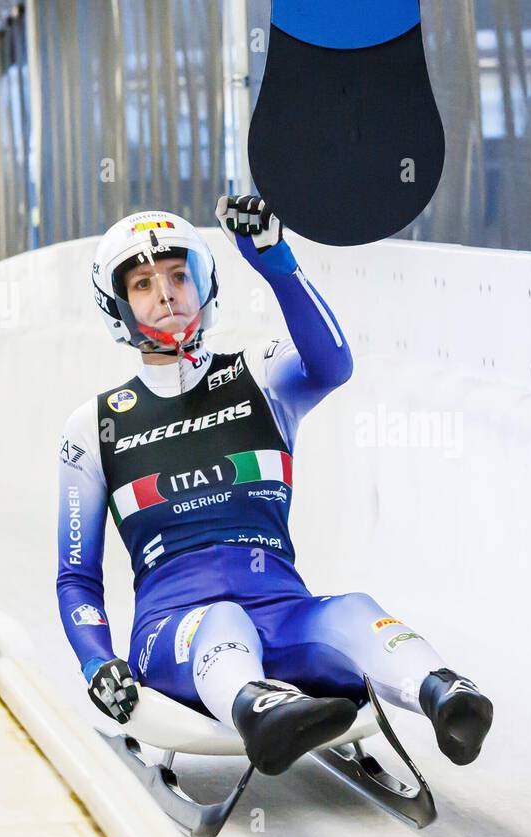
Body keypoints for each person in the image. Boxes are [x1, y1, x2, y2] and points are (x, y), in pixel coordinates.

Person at [55, 196, 493, 775]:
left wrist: (276, 261)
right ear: (118, 307)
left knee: (353, 610)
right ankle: (260, 708)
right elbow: (77, 577)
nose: (166, 294)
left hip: (284, 611)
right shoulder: (94, 426)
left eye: (179, 275)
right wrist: (96, 663)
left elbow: (332, 365)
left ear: (202, 286)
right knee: (223, 623)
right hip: (175, 631)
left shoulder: (259, 374)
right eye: (142, 283)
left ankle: (443, 694)